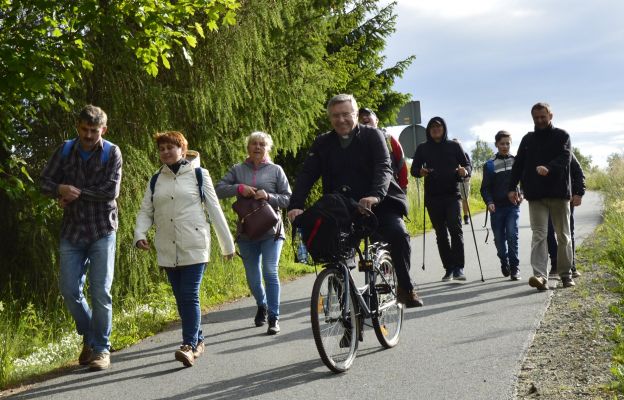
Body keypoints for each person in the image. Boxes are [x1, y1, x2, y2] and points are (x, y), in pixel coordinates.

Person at [287, 94, 423, 308]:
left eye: (345, 114)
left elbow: (383, 167)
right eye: (335, 116)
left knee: (398, 234)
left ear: (356, 115)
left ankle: (406, 287)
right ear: (330, 118)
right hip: (342, 207)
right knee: (334, 255)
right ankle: (347, 313)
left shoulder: (373, 136)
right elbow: (307, 175)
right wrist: (295, 205)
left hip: (381, 202)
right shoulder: (323, 143)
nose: (341, 120)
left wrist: (375, 195)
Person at [134, 131, 235, 367]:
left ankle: (188, 345)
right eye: (161, 149)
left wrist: (226, 244)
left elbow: (214, 209)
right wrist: (139, 234)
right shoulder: (155, 179)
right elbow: (145, 211)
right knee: (181, 298)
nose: (166, 152)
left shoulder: (199, 174)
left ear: (182, 149)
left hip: (194, 245)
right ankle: (199, 340)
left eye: (171, 147)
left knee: (189, 294)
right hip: (167, 247)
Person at [40, 105, 122, 371]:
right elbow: (43, 182)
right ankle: (90, 335)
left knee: (101, 292)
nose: (89, 135)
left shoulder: (112, 152)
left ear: (104, 130)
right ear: (78, 127)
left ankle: (101, 349)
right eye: (85, 130)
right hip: (72, 231)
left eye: (94, 131)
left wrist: (74, 193)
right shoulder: (65, 150)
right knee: (69, 291)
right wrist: (59, 189)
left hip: (102, 230)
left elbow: (111, 191)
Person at [216, 132, 291, 334]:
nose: (257, 147)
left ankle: (274, 317)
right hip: (246, 232)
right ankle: (262, 304)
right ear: (248, 148)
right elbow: (219, 189)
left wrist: (268, 195)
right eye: (253, 144)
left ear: (267, 148)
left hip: (271, 231)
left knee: (270, 271)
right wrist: (239, 188)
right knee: (252, 278)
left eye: (262, 144)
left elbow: (288, 199)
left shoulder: (276, 170)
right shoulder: (237, 169)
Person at [508, 102, 575, 291]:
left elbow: (565, 157)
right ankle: (540, 276)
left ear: (550, 116)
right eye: (536, 118)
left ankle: (565, 275)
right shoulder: (527, 140)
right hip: (536, 195)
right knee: (539, 235)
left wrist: (549, 168)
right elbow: (518, 165)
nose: (539, 120)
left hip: (559, 193)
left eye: (543, 117)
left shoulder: (562, 136)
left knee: (563, 236)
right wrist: (512, 187)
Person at [411, 117, 471, 282]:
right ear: (428, 130)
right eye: (432, 127)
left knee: (455, 229)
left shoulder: (454, 146)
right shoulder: (423, 148)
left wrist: (464, 172)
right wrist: (420, 171)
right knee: (441, 234)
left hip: (452, 195)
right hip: (432, 197)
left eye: (439, 126)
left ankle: (459, 268)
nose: (436, 129)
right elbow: (414, 169)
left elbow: (467, 165)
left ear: (444, 128)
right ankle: (449, 268)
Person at [480, 131, 522, 280]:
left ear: (511, 144)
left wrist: (521, 193)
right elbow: (485, 188)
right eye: (502, 143)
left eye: (507, 143)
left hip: (512, 206)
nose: (505, 146)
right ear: (496, 144)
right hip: (496, 208)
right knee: (499, 239)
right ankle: (504, 261)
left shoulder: (517, 161)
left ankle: (515, 268)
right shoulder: (490, 165)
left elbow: (522, 182)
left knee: (512, 235)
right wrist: (489, 202)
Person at [547, 153, 585, 279]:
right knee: (549, 232)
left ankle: (571, 266)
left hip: (566, 198)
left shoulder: (567, 152)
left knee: (568, 232)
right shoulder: (539, 151)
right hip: (545, 198)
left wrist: (579, 193)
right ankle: (555, 264)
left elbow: (579, 173)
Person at [358, 107, 409, 191]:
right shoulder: (356, 142)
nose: (364, 118)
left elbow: (401, 164)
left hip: (390, 190)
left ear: (377, 120)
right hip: (365, 191)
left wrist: (403, 188)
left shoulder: (389, 139)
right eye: (360, 117)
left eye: (367, 115)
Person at [452, 139, 472, 225]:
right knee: (456, 199)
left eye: (458, 144)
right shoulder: (449, 154)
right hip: (454, 181)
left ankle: (466, 216)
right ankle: (457, 217)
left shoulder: (465, 154)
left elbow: (469, 166)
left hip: (464, 180)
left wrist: (467, 175)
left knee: (464, 199)